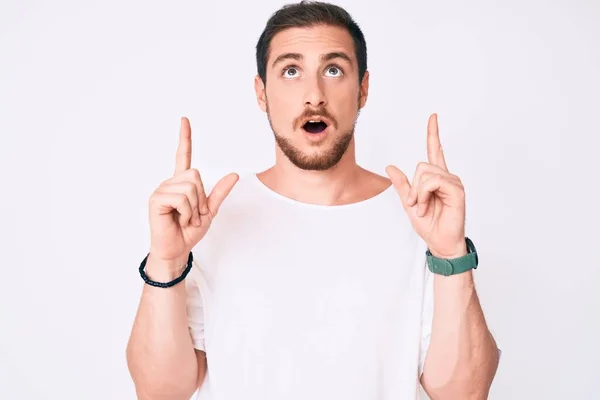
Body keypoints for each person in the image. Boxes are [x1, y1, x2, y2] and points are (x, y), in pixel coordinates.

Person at [126, 1, 501, 399]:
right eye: (291, 71)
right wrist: (166, 260)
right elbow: (160, 391)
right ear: (261, 93)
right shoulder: (207, 220)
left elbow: (464, 393)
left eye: (333, 69)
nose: (313, 95)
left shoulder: (420, 217)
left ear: (363, 89)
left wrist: (451, 254)